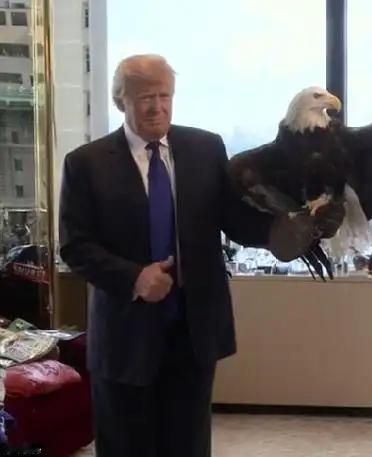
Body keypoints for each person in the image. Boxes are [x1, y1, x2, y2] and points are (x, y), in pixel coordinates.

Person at [58, 54, 274, 457]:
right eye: (145, 98)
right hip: (125, 337)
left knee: (188, 446)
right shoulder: (85, 164)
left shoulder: (206, 149)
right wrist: (135, 277)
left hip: (193, 334)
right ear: (120, 100)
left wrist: (288, 230)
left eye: (164, 96)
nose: (157, 107)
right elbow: (75, 245)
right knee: (126, 446)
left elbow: (237, 221)